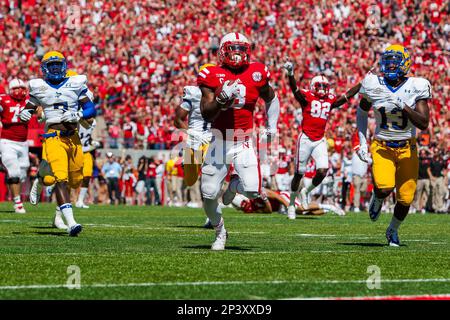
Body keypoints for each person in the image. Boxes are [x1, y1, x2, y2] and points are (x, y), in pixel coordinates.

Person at [198, 32, 280, 250]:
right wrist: (220, 100)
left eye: (241, 49)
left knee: (253, 191)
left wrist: (272, 125)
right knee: (208, 195)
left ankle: (234, 184)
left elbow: (271, 97)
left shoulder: (257, 71)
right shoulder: (211, 73)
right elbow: (207, 113)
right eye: (232, 48)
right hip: (218, 141)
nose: (237, 53)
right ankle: (220, 231)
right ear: (223, 50)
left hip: (243, 140)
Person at [356, 44, 431, 246]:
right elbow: (361, 112)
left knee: (406, 198)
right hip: (382, 145)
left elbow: (423, 123)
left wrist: (403, 106)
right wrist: (362, 142)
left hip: (408, 146)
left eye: (394, 61)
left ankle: (392, 230)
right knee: (384, 186)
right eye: (387, 61)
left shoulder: (417, 85)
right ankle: (378, 198)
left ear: (405, 64)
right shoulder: (373, 83)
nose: (390, 65)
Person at [19, 51, 96, 236]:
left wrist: (78, 114)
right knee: (60, 178)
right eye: (51, 65)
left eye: (57, 65)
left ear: (64, 66)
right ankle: (71, 223)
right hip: (54, 136)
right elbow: (29, 108)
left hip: (74, 137)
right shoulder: (39, 86)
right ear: (45, 68)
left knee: (76, 179)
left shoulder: (76, 83)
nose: (55, 68)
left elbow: (90, 108)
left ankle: (42, 172)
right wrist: (24, 114)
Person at [282, 61, 362, 219]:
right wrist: (291, 73)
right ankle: (291, 204)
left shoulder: (329, 99)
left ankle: (306, 191)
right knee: (298, 174)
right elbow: (295, 90)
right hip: (305, 138)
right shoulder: (307, 96)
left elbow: (344, 98)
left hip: (319, 140)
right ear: (313, 86)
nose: (322, 89)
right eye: (319, 86)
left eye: (324, 86)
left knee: (323, 170)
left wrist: (360, 84)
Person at [174, 65, 214, 188]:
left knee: (211, 169)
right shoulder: (194, 93)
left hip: (212, 137)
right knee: (190, 180)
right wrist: (191, 133)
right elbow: (178, 120)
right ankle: (188, 162)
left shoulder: (221, 93)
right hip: (195, 137)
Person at [0, 79, 30, 214]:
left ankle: (6, 170)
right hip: (7, 141)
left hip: (23, 143)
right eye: (16, 88)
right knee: (15, 172)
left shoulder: (29, 100)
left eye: (21, 88)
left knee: (23, 174)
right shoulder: (3, 99)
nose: (19, 91)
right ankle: (18, 204)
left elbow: (40, 112)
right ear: (10, 90)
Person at [231, 188, 345, 216]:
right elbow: (268, 211)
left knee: (299, 208)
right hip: (279, 208)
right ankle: (327, 210)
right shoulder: (252, 207)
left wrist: (289, 207)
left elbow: (276, 196)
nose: (244, 207)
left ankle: (330, 206)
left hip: (282, 197)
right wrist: (265, 201)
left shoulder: (255, 192)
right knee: (306, 212)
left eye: (243, 204)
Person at [412, 148, 431, 213]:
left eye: (424, 153)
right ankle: (416, 208)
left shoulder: (428, 160)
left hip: (427, 179)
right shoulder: (417, 159)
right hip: (419, 179)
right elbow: (416, 152)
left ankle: (425, 207)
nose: (423, 154)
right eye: (422, 153)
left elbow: (432, 154)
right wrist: (421, 149)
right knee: (417, 194)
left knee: (428, 193)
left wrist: (426, 149)